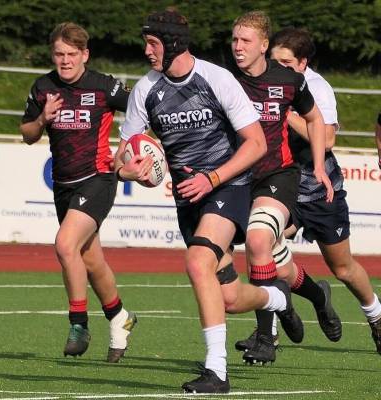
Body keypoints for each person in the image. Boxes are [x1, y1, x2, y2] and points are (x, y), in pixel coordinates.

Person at [115, 8, 304, 394]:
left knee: (197, 261)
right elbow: (121, 158)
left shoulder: (216, 79)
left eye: (153, 44)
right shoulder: (145, 90)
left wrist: (212, 177)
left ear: (173, 44)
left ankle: (216, 371)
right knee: (231, 298)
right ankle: (275, 298)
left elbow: (256, 143)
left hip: (227, 187)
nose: (147, 51)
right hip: (189, 199)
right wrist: (129, 171)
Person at [19, 22, 139, 363]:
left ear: (85, 54)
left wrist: (127, 150)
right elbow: (27, 134)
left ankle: (78, 324)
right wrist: (42, 117)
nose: (65, 60)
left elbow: (141, 109)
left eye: (72, 54)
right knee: (90, 260)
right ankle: (120, 317)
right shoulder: (43, 87)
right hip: (64, 184)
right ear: (52, 55)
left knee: (64, 244)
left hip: (98, 178)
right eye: (59, 54)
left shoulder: (103, 86)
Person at [264, 27, 381, 355]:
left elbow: (327, 139)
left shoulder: (317, 88)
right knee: (262, 242)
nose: (279, 67)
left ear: (303, 63)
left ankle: (375, 316)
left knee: (343, 268)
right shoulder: (266, 83)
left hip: (319, 191)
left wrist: (287, 115)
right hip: (281, 187)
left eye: (286, 62)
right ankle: (268, 330)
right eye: (275, 60)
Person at [229, 12, 337, 365]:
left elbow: (315, 119)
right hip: (239, 178)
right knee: (278, 265)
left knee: (258, 242)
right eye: (234, 40)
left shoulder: (289, 80)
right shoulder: (224, 81)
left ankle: (265, 338)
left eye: (245, 40)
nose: (238, 46)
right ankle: (311, 297)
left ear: (263, 45)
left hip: (278, 176)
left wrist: (319, 167)